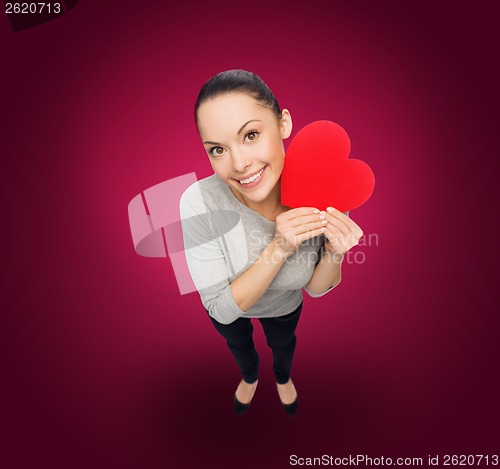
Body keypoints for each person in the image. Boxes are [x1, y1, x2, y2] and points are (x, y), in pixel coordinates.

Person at [180, 69, 363, 416]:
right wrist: (278, 247)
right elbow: (219, 307)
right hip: (232, 314)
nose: (239, 164)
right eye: (217, 149)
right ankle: (249, 377)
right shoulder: (197, 201)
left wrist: (336, 251)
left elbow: (316, 288)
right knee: (240, 347)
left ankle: (281, 377)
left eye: (250, 135)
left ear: (283, 124)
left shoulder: (325, 186)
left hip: (285, 308)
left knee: (283, 346)